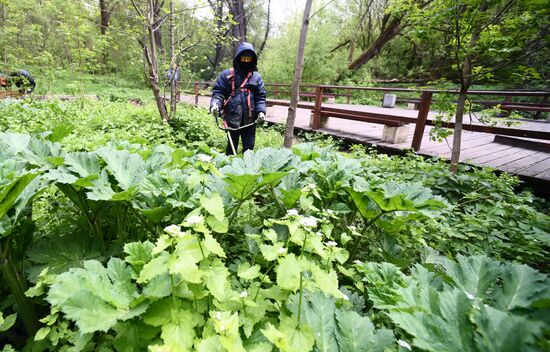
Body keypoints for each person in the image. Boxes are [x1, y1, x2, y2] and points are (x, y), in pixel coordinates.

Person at [210, 42, 267, 155]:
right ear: (238, 57)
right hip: (232, 119)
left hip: (250, 121)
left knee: (249, 150)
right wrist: (215, 105)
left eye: (248, 58)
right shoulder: (227, 75)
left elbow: (260, 97)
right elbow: (219, 93)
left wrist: (261, 112)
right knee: (231, 149)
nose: (245, 61)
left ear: (252, 59)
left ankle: (247, 170)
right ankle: (228, 169)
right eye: (243, 58)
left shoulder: (256, 77)